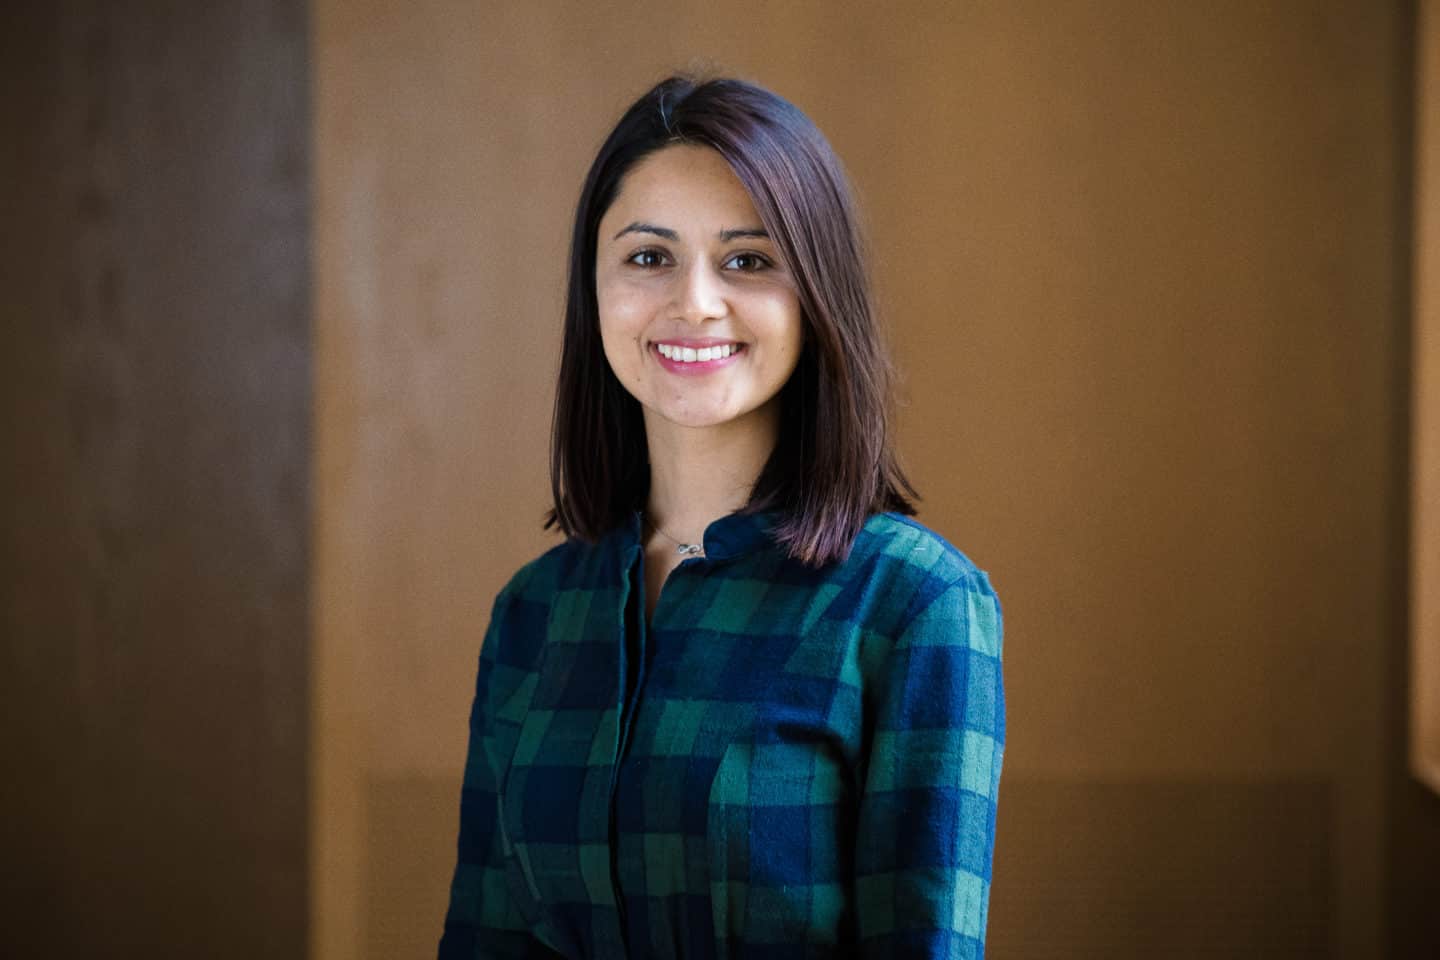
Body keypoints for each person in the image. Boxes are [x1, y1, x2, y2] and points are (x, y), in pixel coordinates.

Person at [438, 74, 1005, 959]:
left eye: (748, 260)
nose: (695, 302)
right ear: (594, 288)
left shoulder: (915, 604)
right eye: (648, 256)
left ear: (815, 295)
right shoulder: (534, 614)